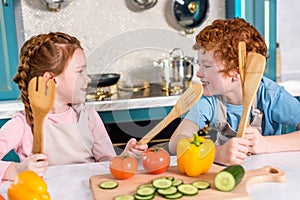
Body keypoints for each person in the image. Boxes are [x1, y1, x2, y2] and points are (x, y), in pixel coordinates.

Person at [0, 32, 147, 181]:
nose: (88, 79)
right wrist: (17, 170)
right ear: (51, 79)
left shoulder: (88, 116)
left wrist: (128, 156)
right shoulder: (22, 124)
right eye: (80, 71)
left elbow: (108, 166)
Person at [169, 18, 300, 166]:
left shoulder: (270, 95)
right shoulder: (208, 99)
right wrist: (216, 153)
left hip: (268, 172)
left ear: (235, 72)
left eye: (206, 65)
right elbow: (176, 142)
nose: (198, 73)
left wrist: (266, 144)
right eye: (200, 64)